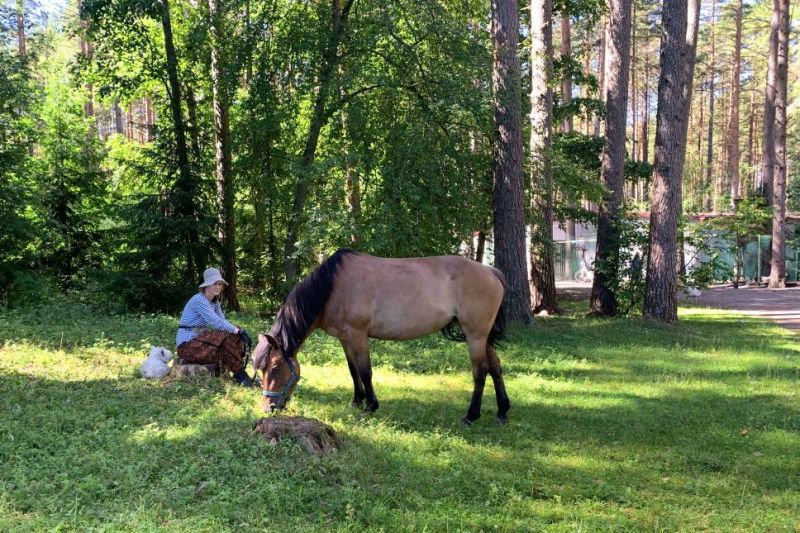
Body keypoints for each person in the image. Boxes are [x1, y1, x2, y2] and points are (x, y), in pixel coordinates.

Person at [176, 267, 255, 387]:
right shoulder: (199, 300)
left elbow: (223, 322)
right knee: (231, 335)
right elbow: (216, 322)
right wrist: (238, 331)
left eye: (220, 284)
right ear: (206, 285)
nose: (218, 287)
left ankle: (238, 372)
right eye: (214, 284)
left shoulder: (214, 302)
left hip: (200, 340)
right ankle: (241, 375)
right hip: (187, 345)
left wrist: (238, 332)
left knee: (232, 336)